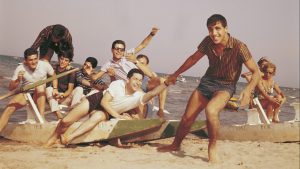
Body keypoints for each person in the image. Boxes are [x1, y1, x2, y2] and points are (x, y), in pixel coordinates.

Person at [157, 14, 261, 162]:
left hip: (226, 86)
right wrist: (175, 74)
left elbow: (256, 71)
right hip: (207, 83)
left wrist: (249, 89)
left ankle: (212, 148)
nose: (214, 33)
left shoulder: (239, 46)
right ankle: (175, 145)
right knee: (187, 118)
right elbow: (193, 58)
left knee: (211, 110)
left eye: (217, 28)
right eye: (210, 29)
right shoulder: (208, 42)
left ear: (226, 28)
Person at [45, 68, 170, 147]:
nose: (137, 82)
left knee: (98, 116)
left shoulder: (138, 96)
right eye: (135, 79)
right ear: (128, 79)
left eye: (140, 80)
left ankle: (68, 138)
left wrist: (166, 83)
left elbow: (152, 93)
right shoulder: (118, 84)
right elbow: (104, 102)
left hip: (107, 112)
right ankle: (51, 139)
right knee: (66, 121)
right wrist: (117, 115)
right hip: (96, 101)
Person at [0, 48, 56, 133]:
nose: (33, 62)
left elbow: (54, 76)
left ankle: (41, 119)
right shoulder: (20, 68)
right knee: (9, 108)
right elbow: (11, 88)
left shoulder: (45, 65)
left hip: (40, 94)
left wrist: (55, 89)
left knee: (39, 86)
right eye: (30, 60)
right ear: (25, 60)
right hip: (26, 93)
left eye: (35, 59)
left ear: (38, 58)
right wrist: (18, 80)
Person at [127, 54, 168, 118]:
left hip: (144, 102)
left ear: (147, 65)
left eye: (142, 64)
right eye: (137, 63)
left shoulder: (149, 78)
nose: (138, 66)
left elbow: (161, 82)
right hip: (131, 100)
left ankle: (160, 111)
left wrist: (161, 109)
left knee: (162, 81)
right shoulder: (131, 74)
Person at [46, 50, 75, 119]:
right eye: (61, 59)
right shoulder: (53, 68)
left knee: (79, 89)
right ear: (59, 58)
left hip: (63, 97)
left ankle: (73, 114)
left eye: (66, 60)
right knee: (49, 88)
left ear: (69, 62)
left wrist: (62, 96)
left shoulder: (71, 71)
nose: (63, 62)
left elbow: (70, 89)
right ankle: (59, 115)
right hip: (53, 95)